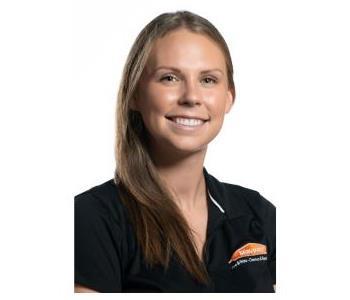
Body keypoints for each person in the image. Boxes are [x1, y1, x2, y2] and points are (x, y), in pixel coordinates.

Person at [74, 10, 276, 293]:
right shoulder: (91, 218)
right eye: (169, 78)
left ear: (229, 97)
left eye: (208, 80)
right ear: (135, 94)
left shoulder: (257, 213)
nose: (191, 97)